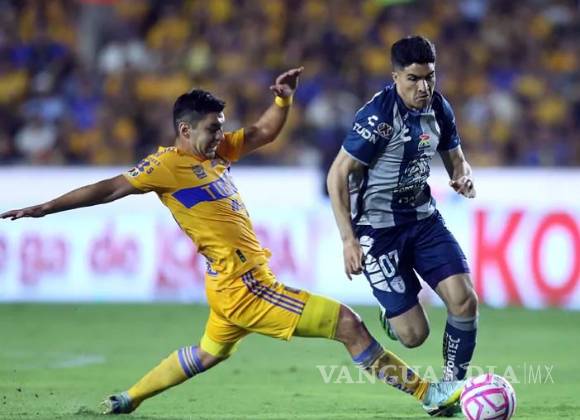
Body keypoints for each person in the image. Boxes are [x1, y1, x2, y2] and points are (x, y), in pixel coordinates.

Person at [1, 67, 462, 417]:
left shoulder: (216, 152)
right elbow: (107, 189)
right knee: (347, 324)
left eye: (221, 126)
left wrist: (282, 101)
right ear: (185, 130)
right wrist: (43, 208)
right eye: (212, 128)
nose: (221, 135)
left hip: (228, 285)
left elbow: (262, 133)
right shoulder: (165, 167)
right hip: (245, 287)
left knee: (207, 353)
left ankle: (128, 398)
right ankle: (428, 394)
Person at [327, 36, 479, 414]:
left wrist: (463, 176)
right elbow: (337, 175)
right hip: (377, 231)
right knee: (414, 336)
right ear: (395, 76)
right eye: (413, 79)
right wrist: (348, 240)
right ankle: (392, 316)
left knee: (464, 300)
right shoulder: (377, 118)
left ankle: (451, 387)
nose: (423, 87)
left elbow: (456, 159)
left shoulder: (439, 107)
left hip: (424, 220)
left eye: (429, 77)